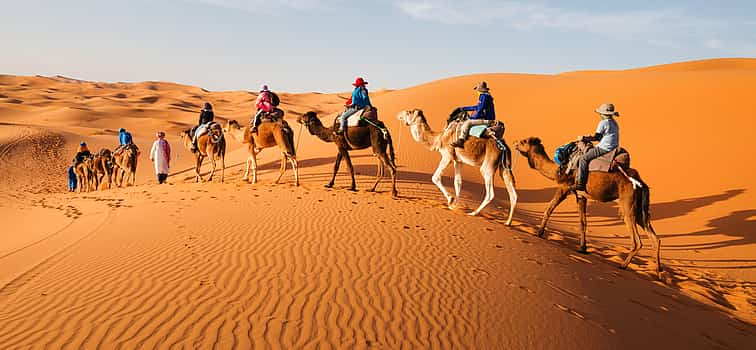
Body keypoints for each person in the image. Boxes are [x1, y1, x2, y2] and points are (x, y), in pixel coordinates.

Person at [573, 103, 620, 192]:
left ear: (603, 114)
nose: (600, 115)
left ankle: (580, 184)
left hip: (605, 148)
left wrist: (583, 138)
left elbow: (597, 138)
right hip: (613, 146)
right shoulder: (614, 122)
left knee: (583, 159)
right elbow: (606, 136)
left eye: (601, 113)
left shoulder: (603, 123)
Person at [451, 81, 496, 148]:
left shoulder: (483, 96)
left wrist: (472, 118)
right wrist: (464, 108)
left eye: (477, 90)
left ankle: (461, 139)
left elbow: (480, 109)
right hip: (489, 118)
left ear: (480, 90)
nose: (477, 91)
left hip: (487, 119)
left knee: (467, 123)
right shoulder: (487, 96)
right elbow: (477, 107)